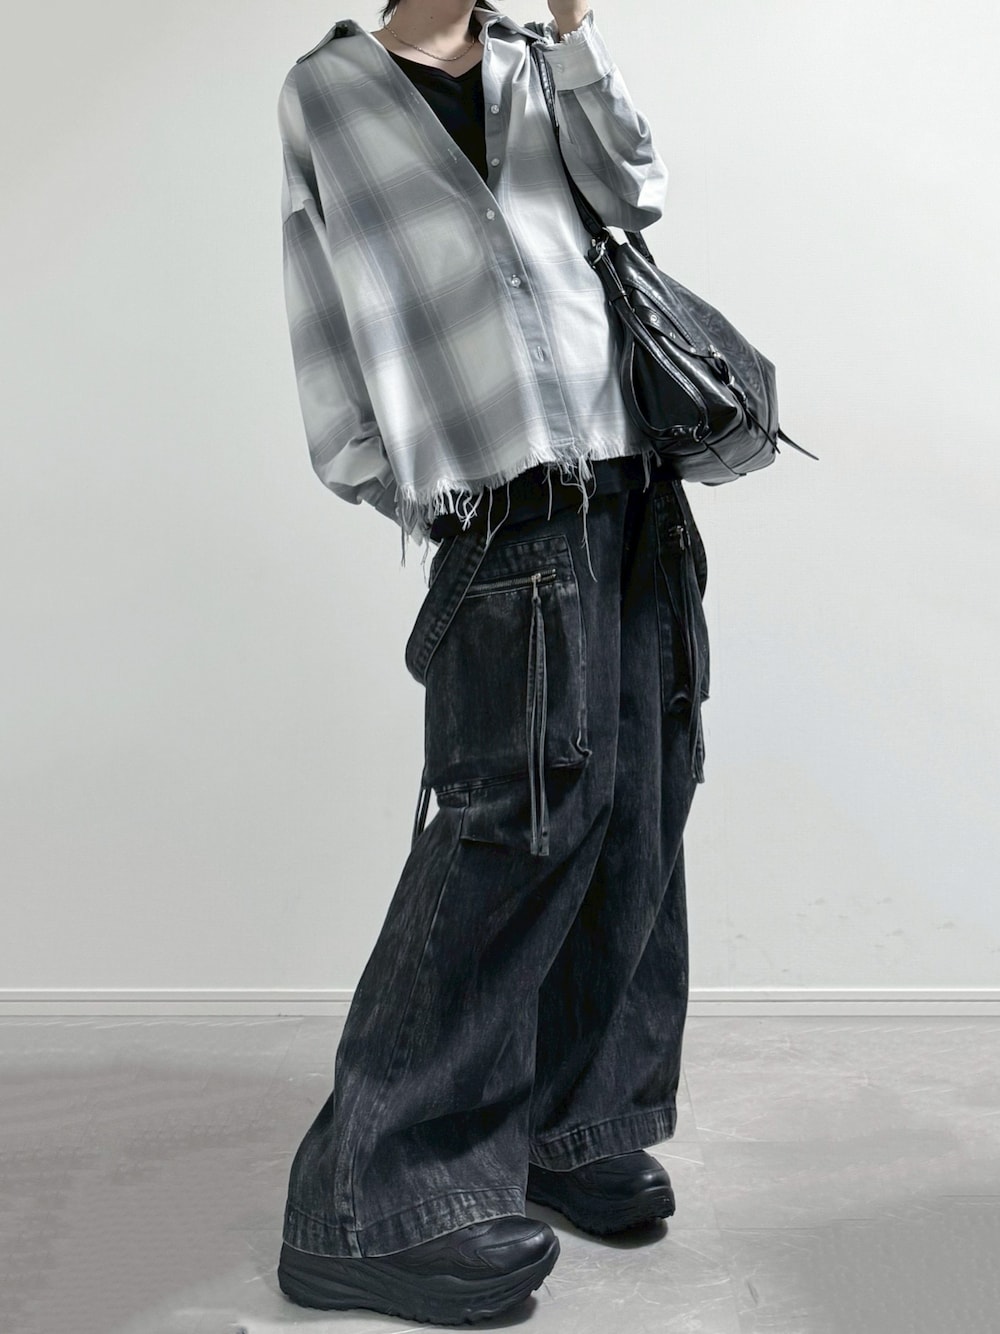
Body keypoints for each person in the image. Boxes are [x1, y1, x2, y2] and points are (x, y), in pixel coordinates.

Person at [274, 0, 710, 1323]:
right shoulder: (329, 91)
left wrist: (575, 31)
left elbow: (636, 190)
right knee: (510, 825)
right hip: (502, 505)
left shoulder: (535, 60)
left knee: (635, 811)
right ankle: (367, 1203)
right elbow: (321, 296)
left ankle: (574, 1127)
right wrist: (403, 478)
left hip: (631, 481)